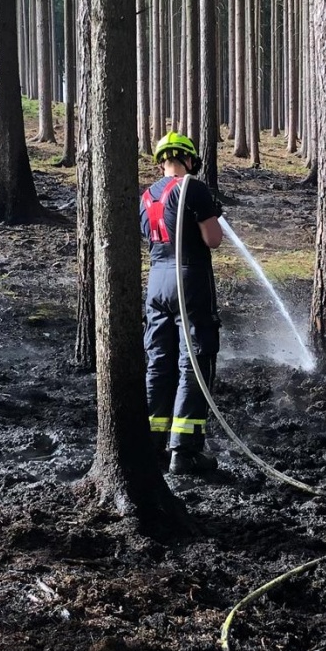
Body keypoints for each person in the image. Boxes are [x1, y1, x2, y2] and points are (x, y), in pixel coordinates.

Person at [140, 132, 224, 476]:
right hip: (188, 280)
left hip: (156, 283)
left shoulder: (147, 195)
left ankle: (152, 445)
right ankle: (184, 452)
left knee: (159, 362)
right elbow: (213, 240)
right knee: (195, 361)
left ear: (162, 160)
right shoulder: (193, 187)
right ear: (188, 159)